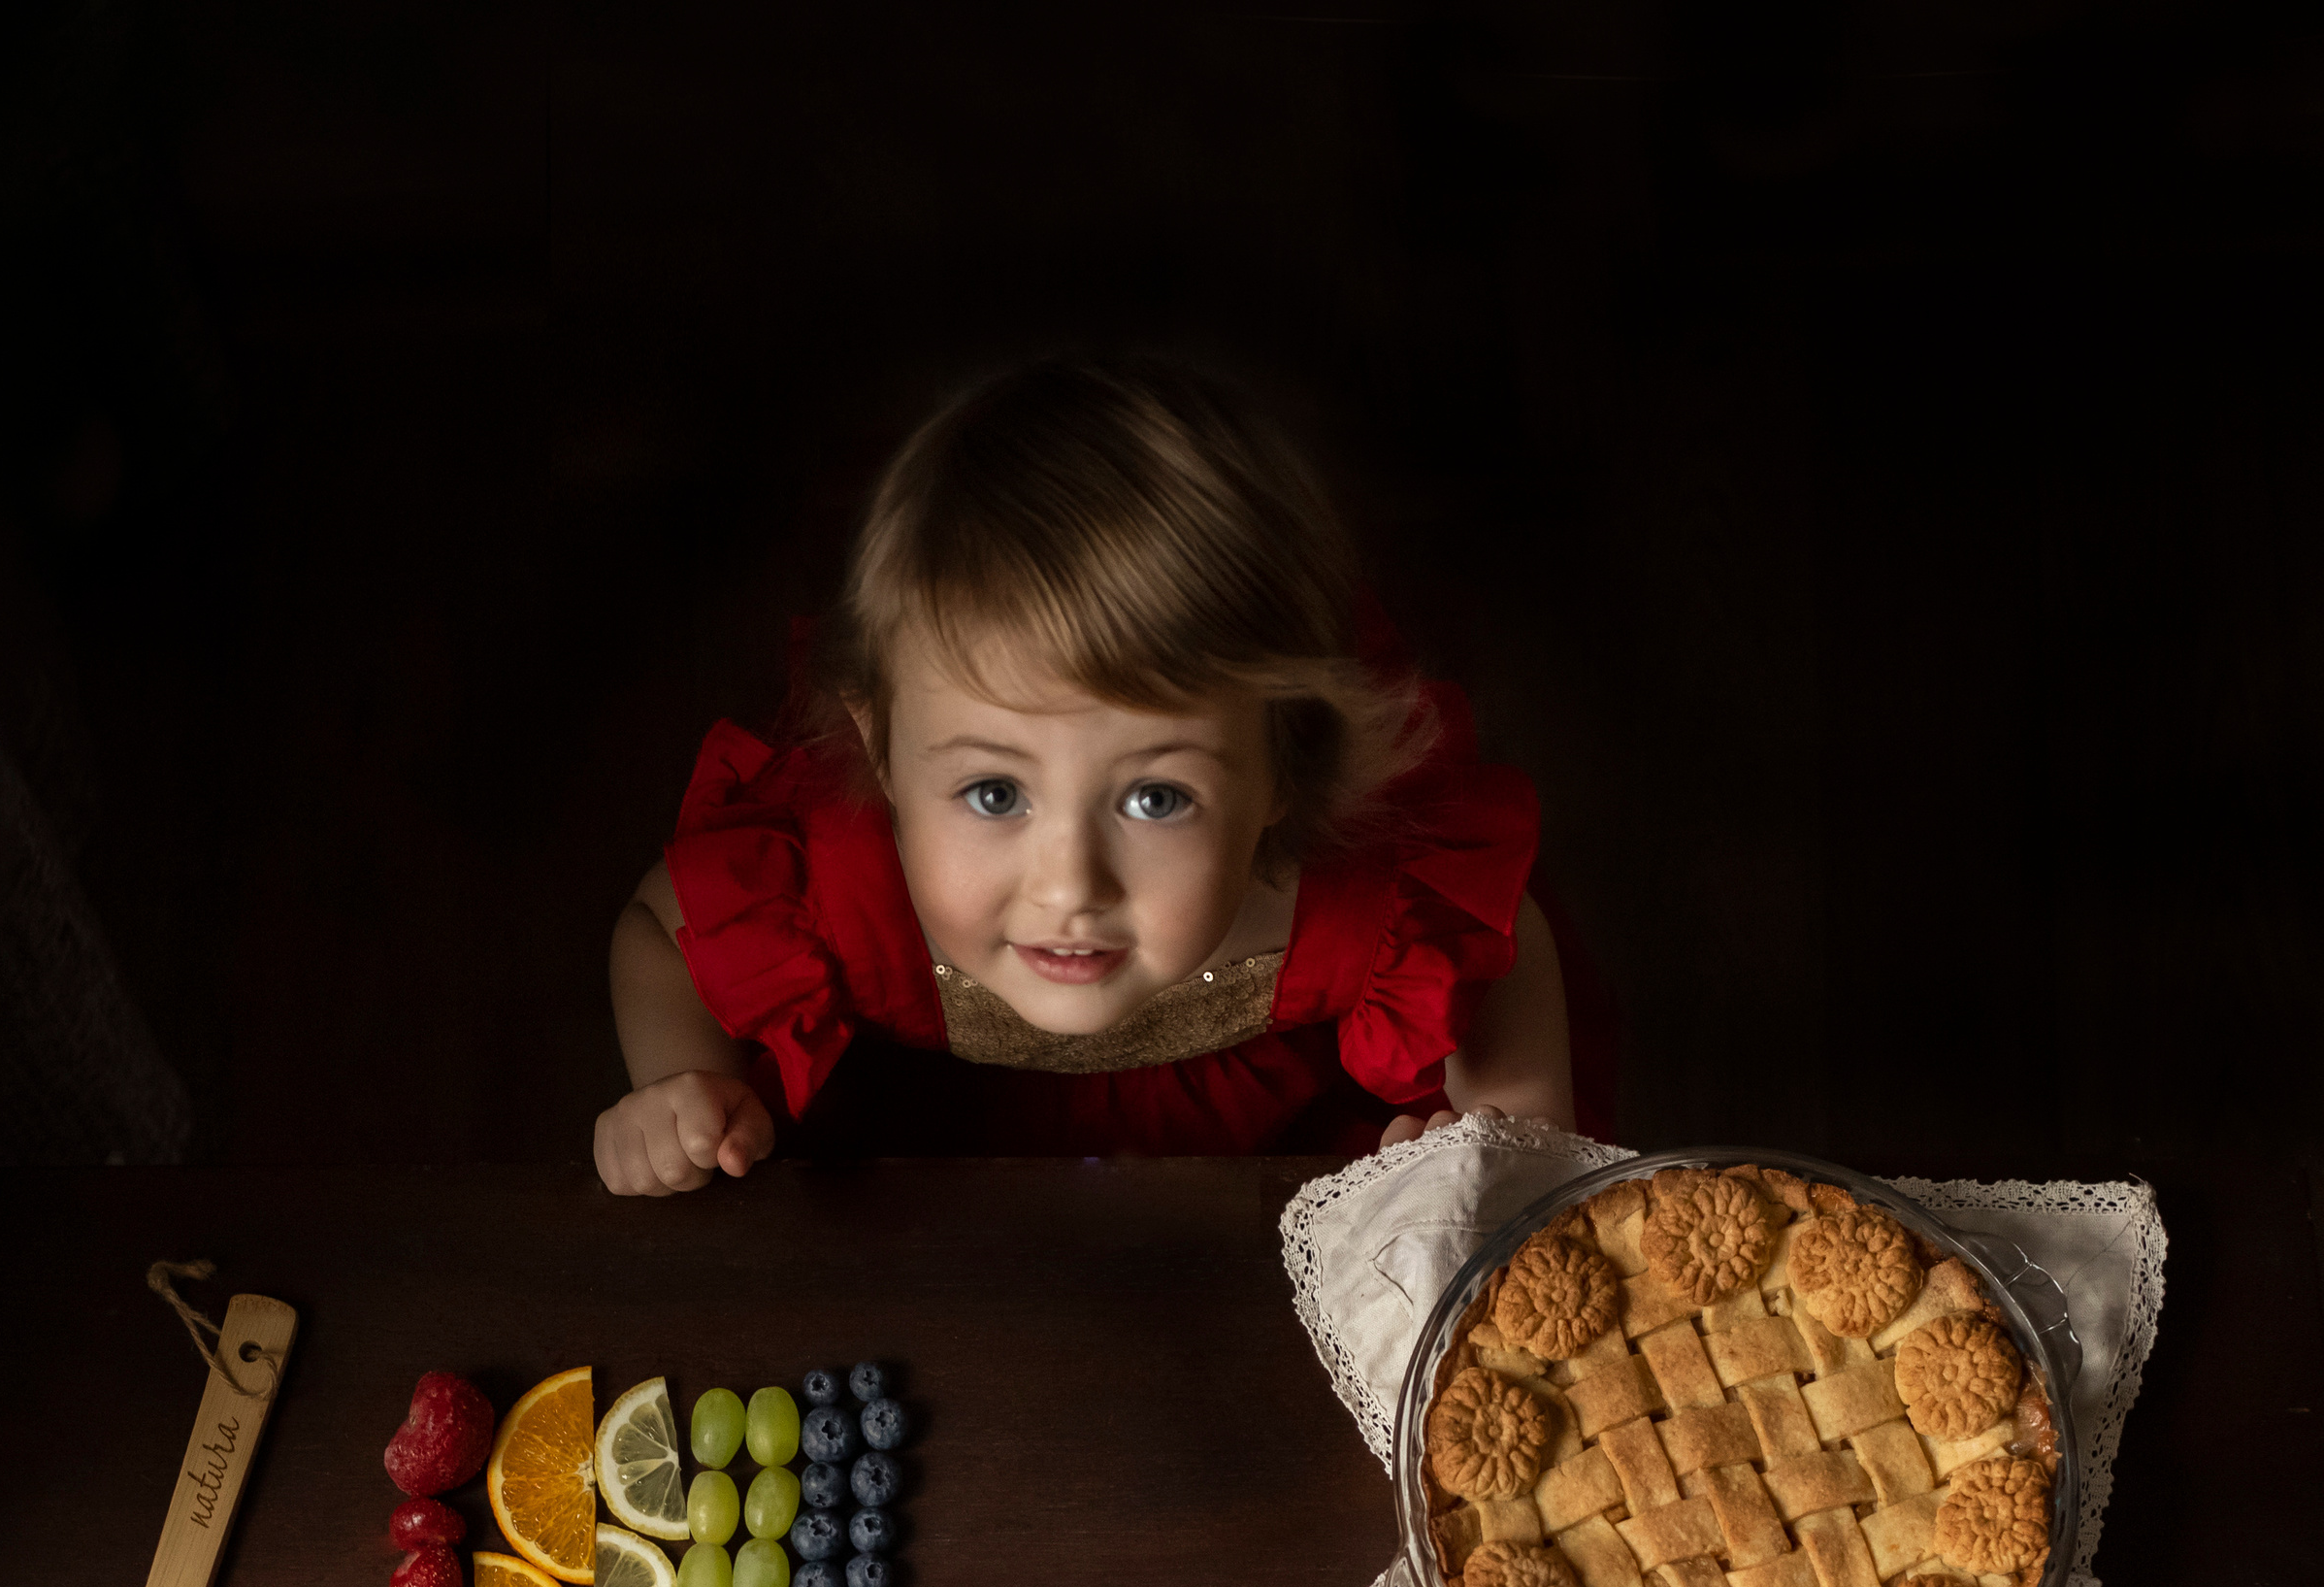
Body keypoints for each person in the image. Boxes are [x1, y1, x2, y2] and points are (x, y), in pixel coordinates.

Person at [594, 357, 1601, 1197]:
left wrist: (1512, 1134)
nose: (1069, 883)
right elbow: (658, 932)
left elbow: (1499, 947)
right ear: (881, 749)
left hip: (1257, 1185)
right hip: (932, 1183)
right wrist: (685, 1086)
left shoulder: (1338, 899)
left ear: (1281, 773)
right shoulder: (837, 887)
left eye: (1155, 798)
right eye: (995, 793)